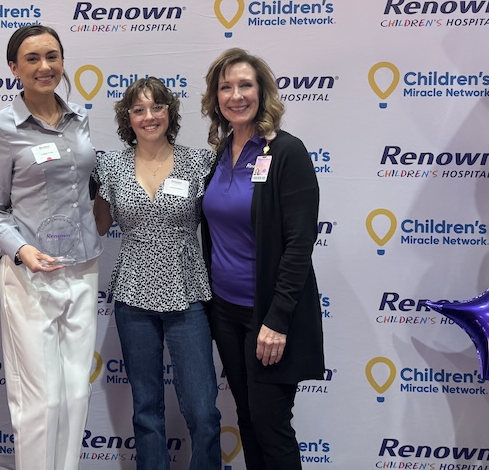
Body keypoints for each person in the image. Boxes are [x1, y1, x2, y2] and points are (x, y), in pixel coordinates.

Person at [0, 25, 101, 470]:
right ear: (14, 68)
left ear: (63, 61)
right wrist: (21, 250)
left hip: (84, 270)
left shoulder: (79, 119)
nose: (44, 66)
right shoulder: (1, 127)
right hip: (31, 273)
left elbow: (87, 187)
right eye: (32, 59)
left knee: (75, 393)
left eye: (52, 56)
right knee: (40, 400)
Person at [200, 48, 324, 470]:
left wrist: (276, 319)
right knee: (248, 420)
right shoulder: (218, 154)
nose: (236, 95)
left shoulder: (286, 152)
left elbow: (299, 244)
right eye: (226, 87)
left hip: (268, 315)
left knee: (271, 424)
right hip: (224, 311)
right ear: (215, 97)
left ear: (263, 91)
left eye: (245, 85)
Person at [93, 77, 221, 470]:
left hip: (188, 291)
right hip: (134, 294)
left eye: (157, 107)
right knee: (146, 409)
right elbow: (99, 226)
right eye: (138, 110)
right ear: (127, 118)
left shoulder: (201, 161)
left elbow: (220, 221)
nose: (149, 117)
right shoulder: (110, 165)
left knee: (203, 411)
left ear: (170, 112)